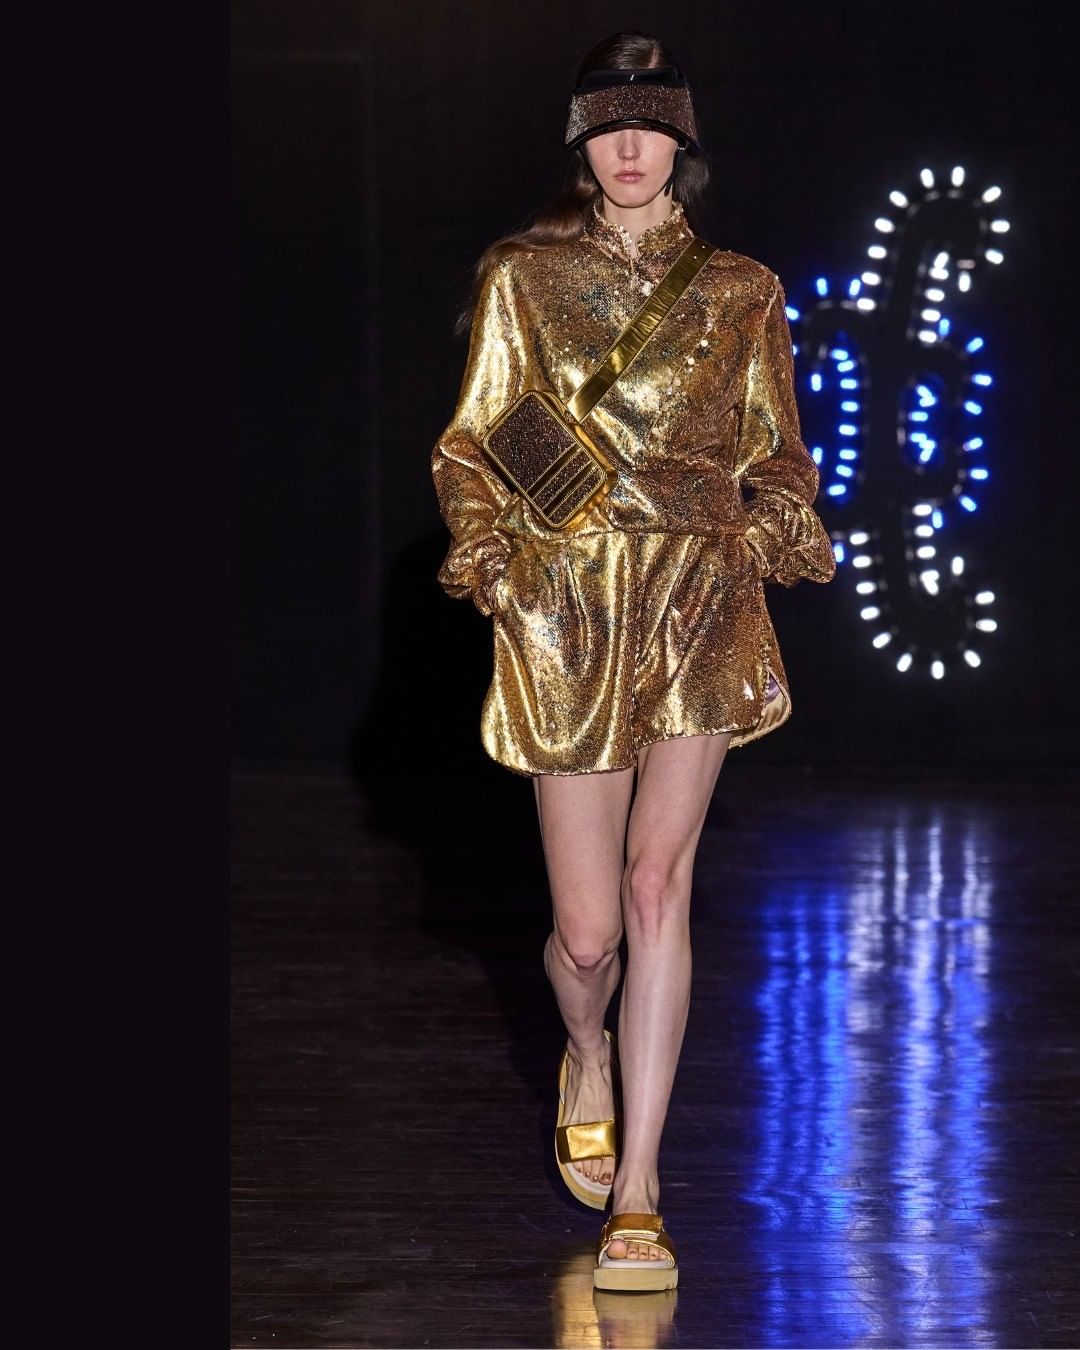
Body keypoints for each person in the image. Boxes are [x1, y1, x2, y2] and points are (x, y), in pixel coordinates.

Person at [430, 31, 836, 1291]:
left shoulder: (743, 290)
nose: (627, 147)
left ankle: (641, 1191)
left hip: (697, 602)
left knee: (661, 886)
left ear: (682, 142)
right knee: (590, 933)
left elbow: (781, 455)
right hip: (570, 605)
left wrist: (763, 528)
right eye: (608, 125)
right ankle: (587, 1049)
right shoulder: (525, 275)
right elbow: (473, 442)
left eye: (649, 124)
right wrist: (501, 555)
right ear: (581, 138)